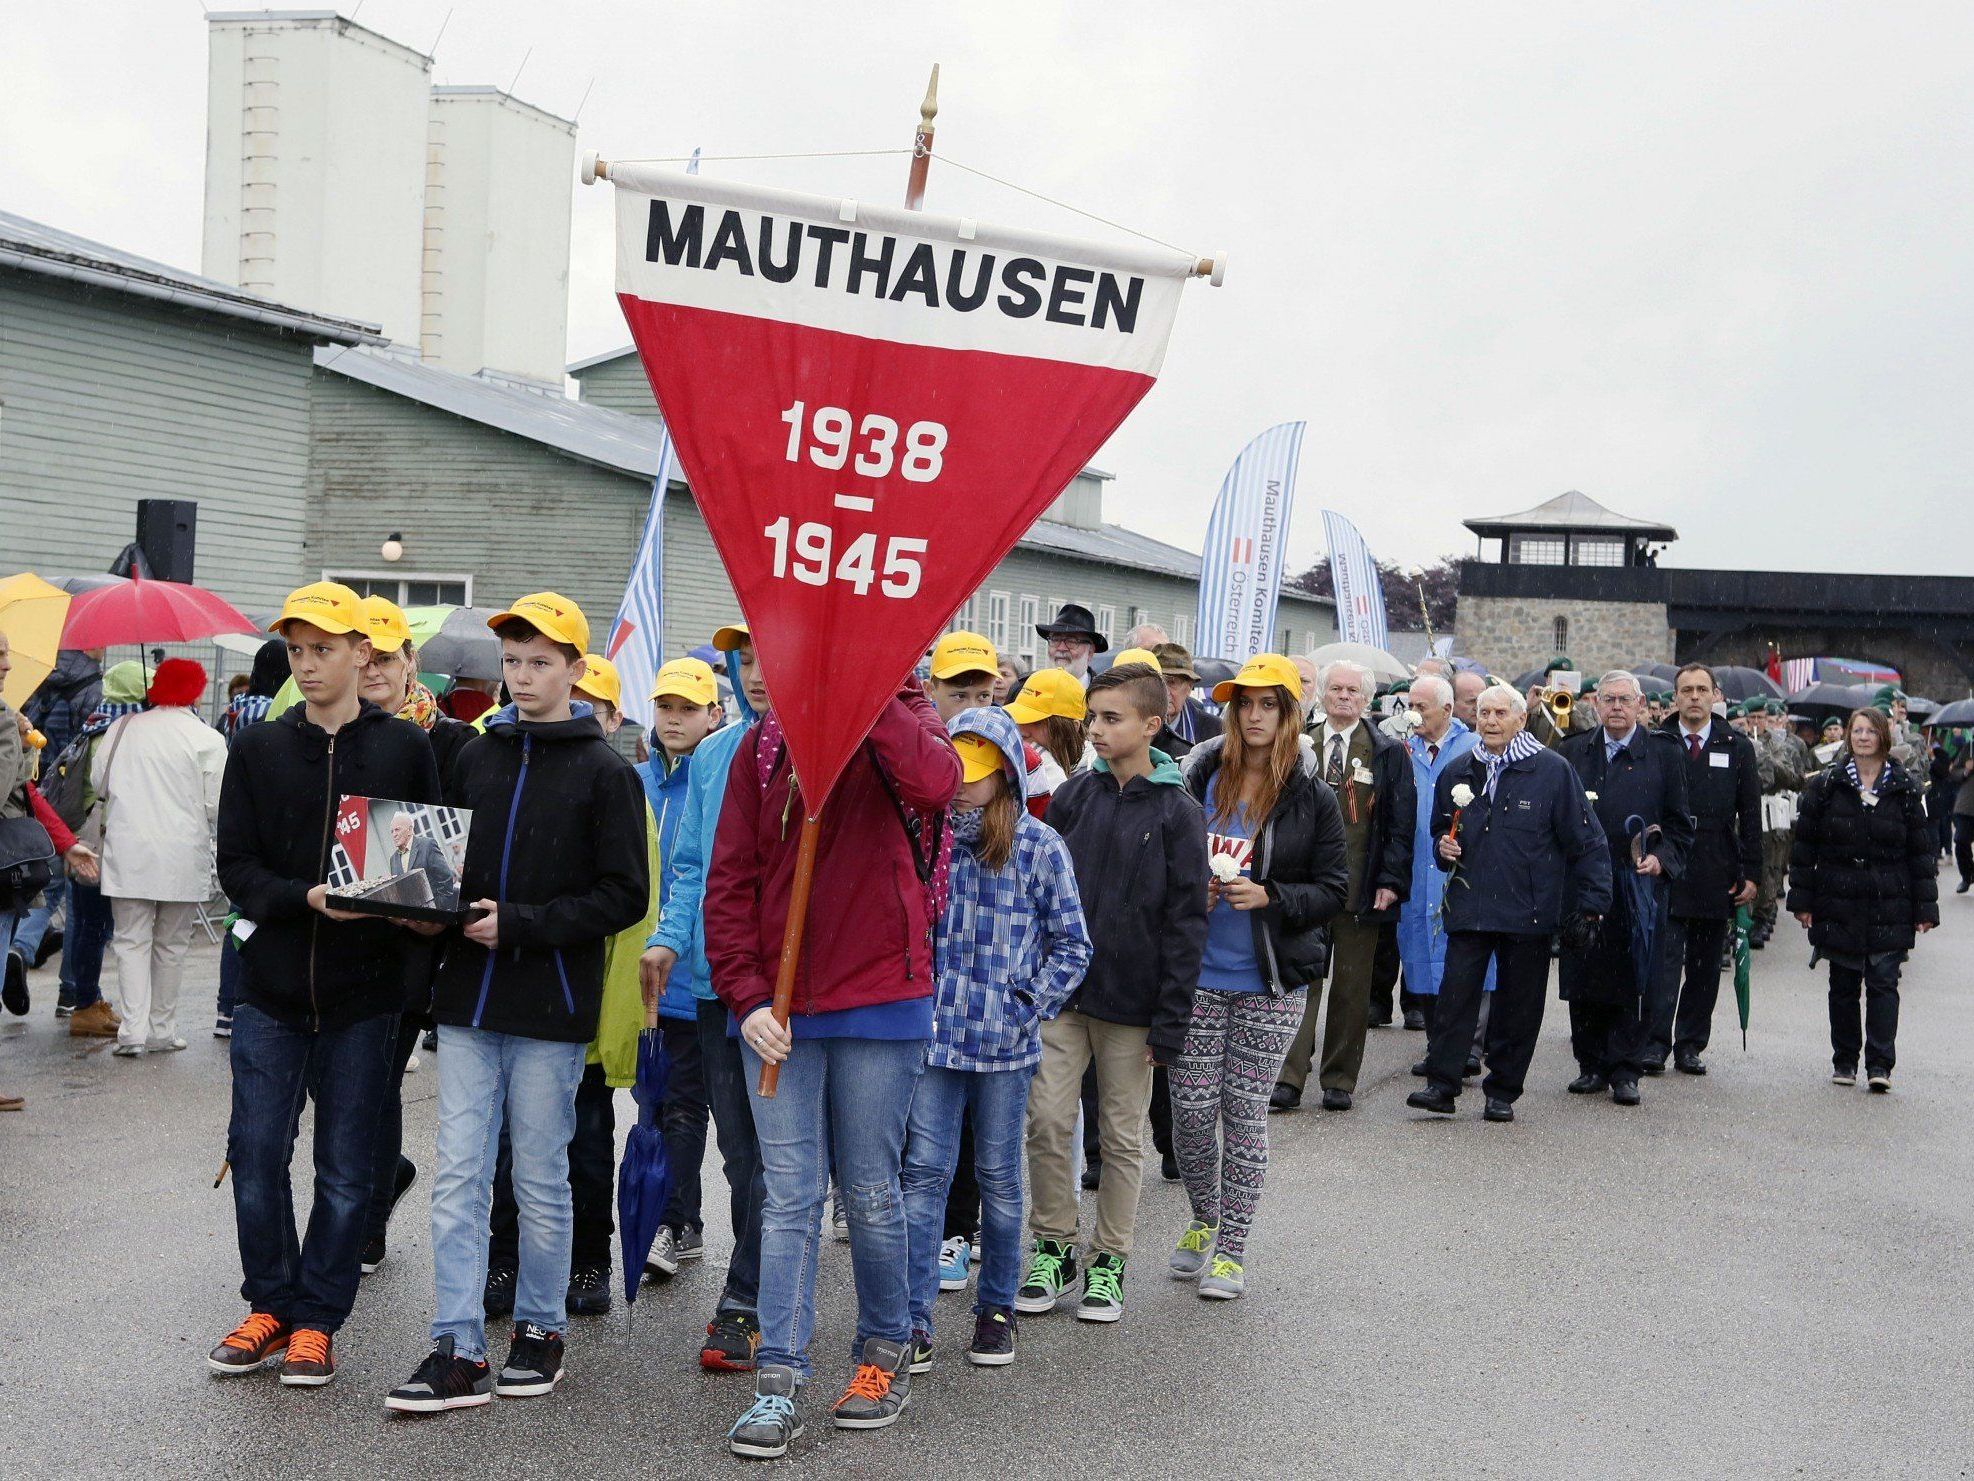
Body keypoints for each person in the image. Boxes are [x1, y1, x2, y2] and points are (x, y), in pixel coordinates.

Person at [388, 593, 648, 1413]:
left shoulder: (607, 770)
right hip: (466, 1000)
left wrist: (525, 926)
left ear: (575, 669)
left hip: (551, 1005)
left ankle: (541, 1328)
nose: (524, 675)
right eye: (513, 661)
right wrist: (414, 897)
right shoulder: (477, 756)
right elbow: (443, 867)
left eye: (540, 661)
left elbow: (624, 895)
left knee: (541, 1175)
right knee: (459, 1173)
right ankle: (457, 1344)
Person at [706, 673, 960, 1460]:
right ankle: (777, 1382)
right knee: (788, 1196)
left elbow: (937, 785)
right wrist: (747, 997)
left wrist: (869, 690)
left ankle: (883, 1356)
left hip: (884, 1000)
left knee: (872, 1190)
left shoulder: (912, 720)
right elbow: (729, 883)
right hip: (778, 1011)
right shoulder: (762, 746)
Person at [210, 582, 442, 1388]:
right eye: (298, 650)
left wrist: (417, 921)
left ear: (361, 655)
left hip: (364, 993)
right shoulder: (261, 748)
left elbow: (425, 872)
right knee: (258, 1150)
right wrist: (300, 898)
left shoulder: (406, 748)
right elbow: (234, 866)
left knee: (348, 1167)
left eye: (323, 650)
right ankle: (268, 1304)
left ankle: (317, 1319)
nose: (307, 665)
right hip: (271, 985)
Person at [900, 708, 1090, 1369]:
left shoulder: (1040, 846)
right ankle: (914, 1319)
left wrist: (1027, 1001)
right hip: (934, 1038)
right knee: (922, 1176)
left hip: (1006, 1045)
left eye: (978, 775)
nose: (962, 786)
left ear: (1007, 773)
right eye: (956, 771)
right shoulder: (927, 839)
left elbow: (1073, 943)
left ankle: (996, 1308)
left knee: (1000, 1179)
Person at [1020, 662, 1209, 1325]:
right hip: (1063, 994)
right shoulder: (1074, 797)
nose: (1096, 729)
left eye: (1112, 717)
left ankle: (1109, 1257)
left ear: (1152, 725)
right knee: (1046, 1119)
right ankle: (1052, 1243)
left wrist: (1171, 1019)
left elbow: (1188, 920)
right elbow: (1042, 893)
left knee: (1121, 1134)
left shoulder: (1178, 810)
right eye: (1092, 717)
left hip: (1134, 1004)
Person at [485, 650, 659, 1318]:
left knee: (586, 1146)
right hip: (523, 999)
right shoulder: (516, 764)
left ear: (614, 716)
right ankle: (507, 1260)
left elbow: (630, 913)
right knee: (511, 1148)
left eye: (598, 703)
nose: (585, 711)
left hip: (590, 999)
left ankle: (590, 1257)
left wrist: (620, 1019)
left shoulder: (614, 782)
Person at [1171, 655, 1346, 1299]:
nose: (1255, 715)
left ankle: (1233, 1248)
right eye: (1245, 703)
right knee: (1189, 1113)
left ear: (1289, 712)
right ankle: (1203, 1216)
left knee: (1242, 1111)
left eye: (1269, 704)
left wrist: (1271, 895)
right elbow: (1168, 863)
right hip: (1197, 974)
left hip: (1271, 980)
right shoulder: (1197, 778)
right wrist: (1196, 890)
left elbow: (1334, 890)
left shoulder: (1311, 795)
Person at [640, 625, 770, 1376]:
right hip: (717, 985)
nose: (756, 673)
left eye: (768, 657)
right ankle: (748, 1296)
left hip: (797, 994)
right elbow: (688, 864)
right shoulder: (715, 755)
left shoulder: (829, 754)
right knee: (741, 1153)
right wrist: (667, 939)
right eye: (745, 659)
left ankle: (753, 1299)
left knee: (787, 1159)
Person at [1407, 685, 1610, 1123]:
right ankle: (1441, 1085)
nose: (1491, 721)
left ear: (1521, 718)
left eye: (1501, 713)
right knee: (1455, 997)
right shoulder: (1459, 770)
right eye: (1484, 713)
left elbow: (1586, 840)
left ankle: (1502, 1091)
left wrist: (1593, 901)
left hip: (1528, 909)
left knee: (1519, 1006)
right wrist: (1445, 849)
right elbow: (1443, 827)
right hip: (1469, 904)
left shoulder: (1552, 771)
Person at [353, 593, 476, 1270]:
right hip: (338, 940)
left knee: (374, 1078)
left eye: (386, 655)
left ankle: (367, 1218)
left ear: (411, 662)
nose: (373, 669)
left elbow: (459, 845)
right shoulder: (329, 735)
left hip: (414, 943)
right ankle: (387, 1170)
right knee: (340, 1080)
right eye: (361, 655)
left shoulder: (453, 743)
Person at [1272, 659, 1414, 1112]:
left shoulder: (1387, 751)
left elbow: (1399, 825)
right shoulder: (1297, 744)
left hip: (1359, 889)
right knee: (1300, 984)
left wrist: (1390, 881)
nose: (1344, 696)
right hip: (1305, 889)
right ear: (1322, 694)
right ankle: (1290, 1077)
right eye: (1336, 689)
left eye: (1353, 690)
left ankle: (1339, 1079)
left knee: (1351, 989)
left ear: (1367, 699)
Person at [1556, 671, 1693, 1105]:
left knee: (1634, 975)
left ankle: (1625, 1069)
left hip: (1638, 883)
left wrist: (1662, 859)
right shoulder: (1573, 751)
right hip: (1584, 882)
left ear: (1639, 705)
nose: (1616, 707)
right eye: (1609, 699)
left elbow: (1679, 825)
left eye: (1624, 700)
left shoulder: (1662, 754)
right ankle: (1590, 1064)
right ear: (1595, 704)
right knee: (1584, 972)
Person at [630, 657, 722, 1282]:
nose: (674, 719)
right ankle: (681, 1217)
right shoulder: (633, 779)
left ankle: (665, 1221)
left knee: (685, 1104)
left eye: (689, 708)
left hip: (697, 974)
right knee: (650, 1102)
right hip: (638, 976)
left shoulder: (718, 778)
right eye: (666, 706)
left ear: (715, 714)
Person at [1789, 708, 1938, 1091]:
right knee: (1842, 982)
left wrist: (1925, 909)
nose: (1863, 737)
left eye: (1871, 730)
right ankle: (1845, 1060)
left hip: (1890, 896)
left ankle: (1880, 1064)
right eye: (1857, 730)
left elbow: (1921, 854)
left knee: (1884, 982)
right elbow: (1805, 848)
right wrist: (1802, 901)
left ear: (1883, 737)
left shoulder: (1905, 787)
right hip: (1838, 895)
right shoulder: (1826, 785)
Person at [92, 659, 227, 1056]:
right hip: (182, 854)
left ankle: (131, 1032)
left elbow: (99, 783)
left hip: (128, 850)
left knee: (130, 941)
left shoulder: (122, 729)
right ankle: (163, 1030)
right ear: (197, 692)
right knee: (171, 944)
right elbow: (216, 805)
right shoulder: (207, 738)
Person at [1646, 664, 1761, 1076]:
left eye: (1701, 689)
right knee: (1662, 960)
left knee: (1704, 964)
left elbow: (1750, 815)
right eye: (1686, 690)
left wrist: (1752, 873)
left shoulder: (1736, 745)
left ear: (1715, 695)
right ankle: (1654, 1042)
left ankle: (1690, 1043)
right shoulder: (1657, 741)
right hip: (1667, 862)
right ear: (1675, 697)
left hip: (1716, 864)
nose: (1694, 697)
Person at [1394, 674, 1478, 1033]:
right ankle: (1436, 1044)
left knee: (1464, 959)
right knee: (1420, 957)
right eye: (1410, 706)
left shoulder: (1474, 746)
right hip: (1414, 868)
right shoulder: (1400, 749)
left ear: (1446, 710)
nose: (1413, 714)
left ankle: (1469, 1045)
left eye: (1420, 707)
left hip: (1460, 868)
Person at [1750, 698, 1807, 949]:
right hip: (1748, 810)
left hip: (1772, 809)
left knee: (1770, 865)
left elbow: (1794, 778)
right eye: (1752, 719)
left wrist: (1764, 759)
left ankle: (1763, 915)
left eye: (1761, 718)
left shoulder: (1779, 744)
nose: (1757, 723)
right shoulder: (1739, 741)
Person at [1005, 667, 1088, 779]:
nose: (1022, 732)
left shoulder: (1088, 784)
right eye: (1018, 717)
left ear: (1073, 728)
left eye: (1037, 722)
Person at [1155, 642, 1222, 755]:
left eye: (1171, 682)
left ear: (1189, 687)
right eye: (1157, 681)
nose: (1164, 691)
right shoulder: (1136, 727)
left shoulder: (1215, 730)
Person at [1035, 603, 1107, 687]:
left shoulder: (1103, 695)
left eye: (1072, 641)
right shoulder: (1028, 688)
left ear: (1090, 652)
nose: (1061, 648)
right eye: (1055, 639)